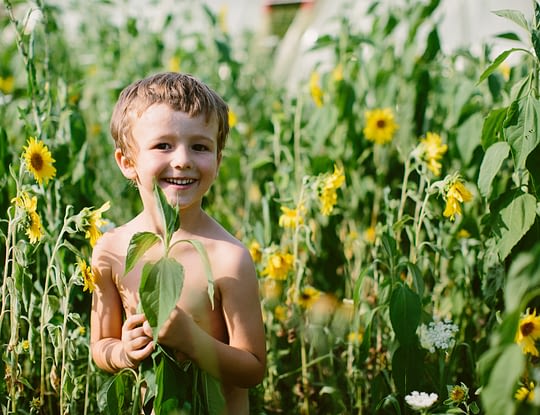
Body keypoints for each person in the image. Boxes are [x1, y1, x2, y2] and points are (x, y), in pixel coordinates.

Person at [90, 72, 267, 414]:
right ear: (127, 162)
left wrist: (193, 340)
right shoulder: (110, 250)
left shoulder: (229, 258)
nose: (183, 159)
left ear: (217, 161)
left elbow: (253, 368)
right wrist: (124, 352)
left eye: (200, 146)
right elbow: (100, 347)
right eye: (163, 145)